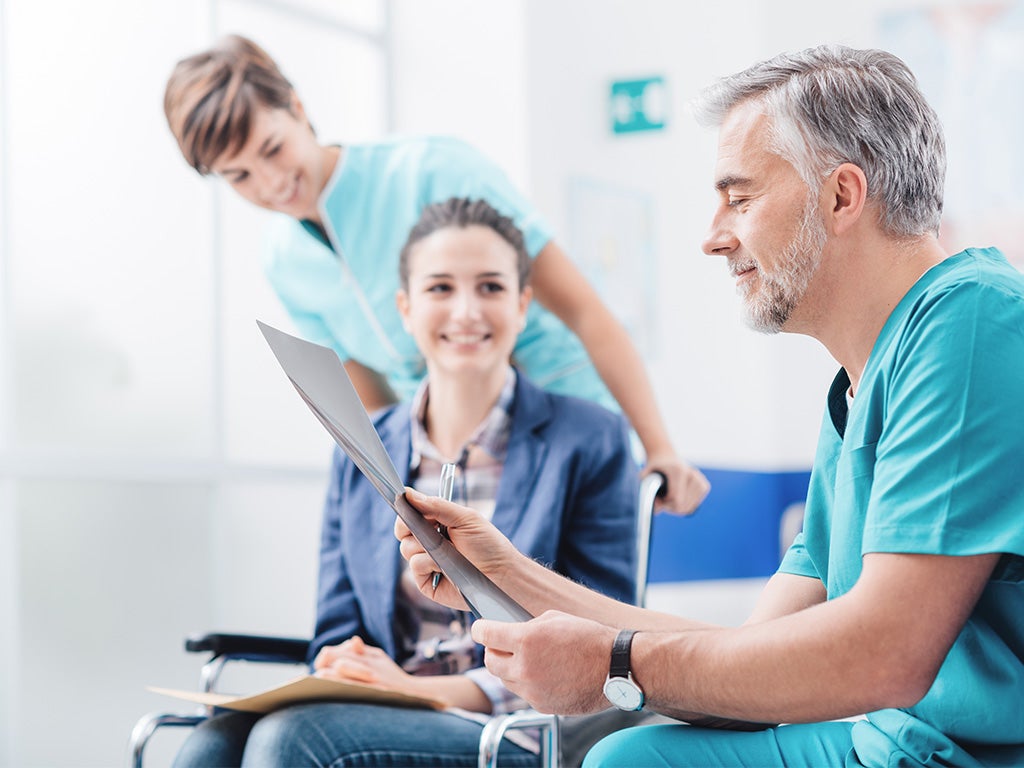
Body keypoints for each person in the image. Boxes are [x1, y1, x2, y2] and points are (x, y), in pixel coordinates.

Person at [396, 45, 1024, 767]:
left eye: (740, 197)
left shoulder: (972, 323)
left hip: (971, 754)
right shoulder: (858, 386)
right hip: (887, 740)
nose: (712, 236)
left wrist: (615, 665)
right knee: (630, 759)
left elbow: (886, 656)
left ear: (842, 196)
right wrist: (502, 572)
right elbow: (750, 659)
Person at [172, 197, 656, 767]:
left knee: (291, 742)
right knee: (210, 746)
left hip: (517, 727)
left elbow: (599, 637)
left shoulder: (588, 438)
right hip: (383, 707)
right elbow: (338, 626)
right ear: (404, 307)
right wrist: (344, 663)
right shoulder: (361, 441)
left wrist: (416, 689)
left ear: (524, 305)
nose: (467, 311)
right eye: (440, 288)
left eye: (492, 288)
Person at [163, 34, 709, 514]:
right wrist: (403, 497)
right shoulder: (284, 261)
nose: (272, 183)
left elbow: (586, 312)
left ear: (299, 108)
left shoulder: (432, 171)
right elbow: (371, 403)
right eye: (239, 176)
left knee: (578, 619)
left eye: (273, 149)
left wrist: (658, 445)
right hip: (454, 459)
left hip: (564, 419)